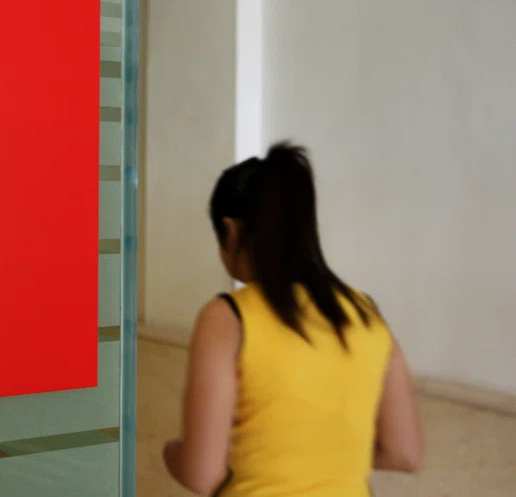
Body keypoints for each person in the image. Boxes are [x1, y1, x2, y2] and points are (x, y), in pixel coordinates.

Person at [163, 142, 424, 496]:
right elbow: (404, 453)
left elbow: (202, 474)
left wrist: (172, 454)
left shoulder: (228, 318)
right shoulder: (365, 313)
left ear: (231, 230)